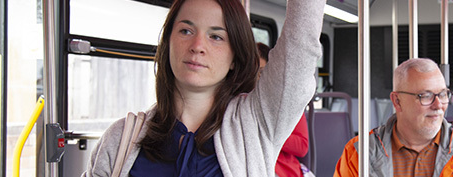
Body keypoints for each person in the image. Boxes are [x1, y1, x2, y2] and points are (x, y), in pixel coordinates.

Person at [83, 0, 325, 176]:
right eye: (186, 31)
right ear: (168, 43)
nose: (197, 45)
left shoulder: (255, 124)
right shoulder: (121, 139)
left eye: (216, 37)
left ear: (234, 57)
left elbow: (299, 47)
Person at [334, 58, 453, 177]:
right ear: (397, 101)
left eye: (442, 94)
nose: (438, 105)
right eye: (425, 96)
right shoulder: (359, 153)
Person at [255, 42, 312, 177]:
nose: (256, 79)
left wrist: (266, 132)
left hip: (283, 170)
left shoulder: (288, 102)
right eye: (252, 73)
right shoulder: (235, 103)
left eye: (262, 73)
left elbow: (302, 146)